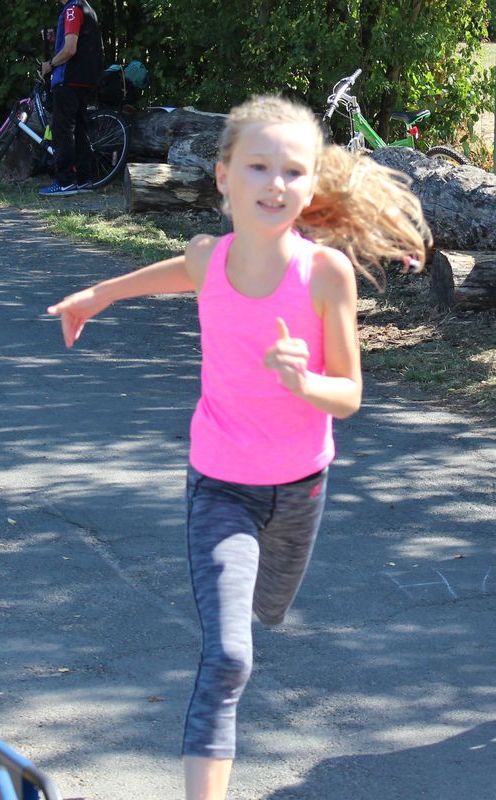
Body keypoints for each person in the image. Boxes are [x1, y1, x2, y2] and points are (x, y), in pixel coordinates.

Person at [47, 94, 430, 799]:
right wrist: (96, 295)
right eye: (257, 166)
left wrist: (304, 382)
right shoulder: (207, 259)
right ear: (222, 175)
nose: (274, 183)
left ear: (309, 188)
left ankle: (254, 591)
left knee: (269, 610)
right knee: (228, 658)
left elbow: (348, 394)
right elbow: (165, 274)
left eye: (292, 171)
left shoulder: (325, 275)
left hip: (300, 489)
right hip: (219, 485)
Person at [39, 0, 102, 196]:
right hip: (86, 80)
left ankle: (65, 181)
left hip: (68, 79)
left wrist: (50, 64)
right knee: (81, 130)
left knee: (62, 129)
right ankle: (84, 179)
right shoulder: (87, 8)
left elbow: (70, 49)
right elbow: (80, 41)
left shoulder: (72, 10)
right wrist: (56, 37)